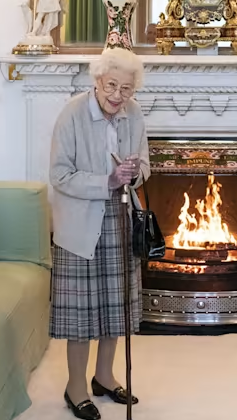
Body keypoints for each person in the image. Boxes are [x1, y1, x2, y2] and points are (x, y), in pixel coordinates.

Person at [48, 47, 150, 420]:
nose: (118, 96)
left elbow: (145, 168)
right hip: (79, 222)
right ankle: (75, 387)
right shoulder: (73, 113)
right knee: (81, 313)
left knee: (114, 305)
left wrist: (133, 173)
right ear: (97, 80)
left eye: (126, 89)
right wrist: (106, 180)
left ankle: (104, 377)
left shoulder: (134, 113)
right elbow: (59, 175)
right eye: (112, 86)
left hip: (121, 216)